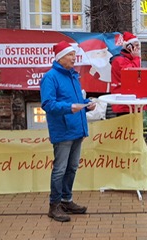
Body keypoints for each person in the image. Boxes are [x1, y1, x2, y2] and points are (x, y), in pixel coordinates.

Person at [40, 41, 96, 222]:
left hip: (77, 129)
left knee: (71, 168)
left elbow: (76, 101)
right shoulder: (50, 77)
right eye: (70, 54)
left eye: (74, 54)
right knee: (60, 169)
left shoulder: (73, 76)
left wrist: (86, 106)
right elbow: (48, 104)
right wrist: (69, 107)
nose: (74, 57)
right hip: (63, 130)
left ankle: (66, 200)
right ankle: (54, 205)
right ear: (60, 57)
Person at [110, 31, 141, 116]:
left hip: (132, 102)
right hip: (123, 104)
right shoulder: (119, 60)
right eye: (136, 45)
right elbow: (131, 75)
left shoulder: (131, 59)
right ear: (129, 46)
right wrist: (136, 59)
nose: (138, 48)